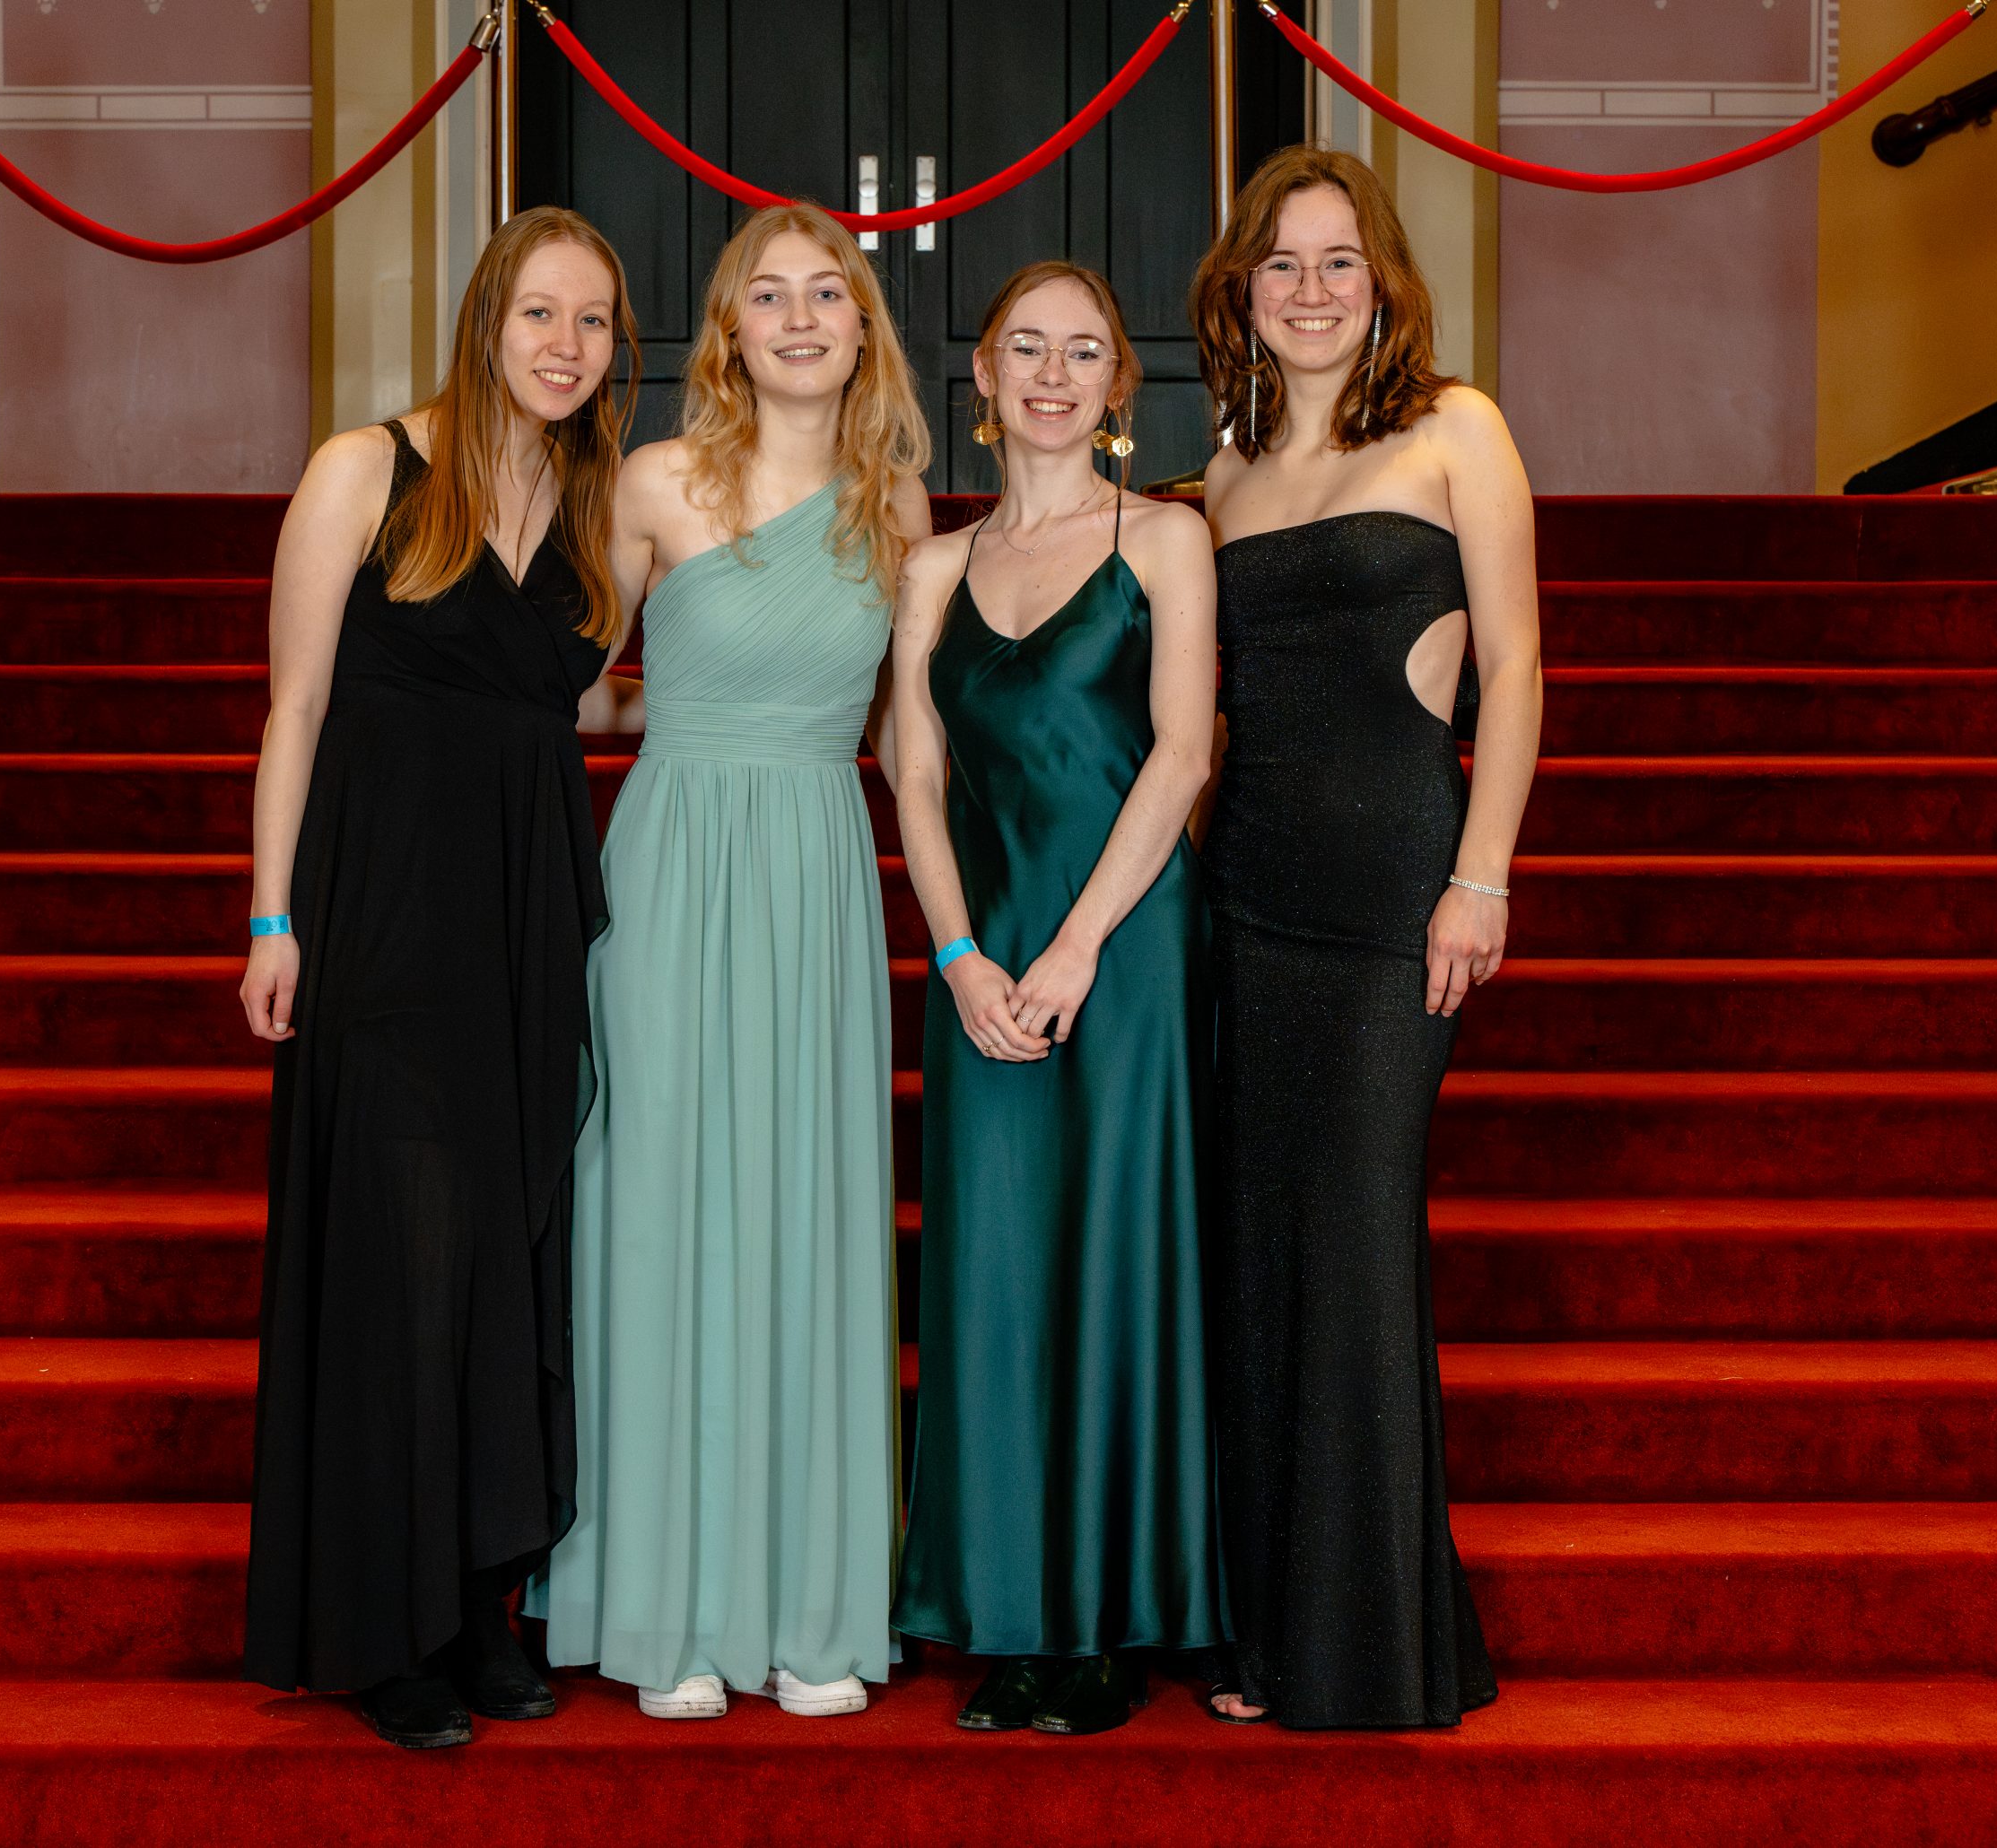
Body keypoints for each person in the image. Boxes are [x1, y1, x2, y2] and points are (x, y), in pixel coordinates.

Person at [239, 205, 643, 1748]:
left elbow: (565, 707)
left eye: (592, 322)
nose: (565, 345)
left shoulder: (594, 506)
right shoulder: (367, 469)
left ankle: (481, 1601)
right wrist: (272, 917)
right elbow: (295, 708)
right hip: (388, 917)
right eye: (540, 313)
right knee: (403, 1262)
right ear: (485, 320)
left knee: (506, 1257)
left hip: (526, 930)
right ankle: (390, 1626)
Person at [536, 202, 932, 1720]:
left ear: (862, 328)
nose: (800, 317)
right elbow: (566, 690)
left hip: (819, 878)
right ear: (730, 330)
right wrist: (682, 711)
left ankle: (805, 1609)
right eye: (769, 295)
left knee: (801, 1217)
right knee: (661, 1215)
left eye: (828, 293)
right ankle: (670, 1612)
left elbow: (908, 735)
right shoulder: (653, 483)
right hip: (673, 875)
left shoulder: (895, 505)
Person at [1187, 145, 1541, 1728]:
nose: (1313, 288)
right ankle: (1273, 1635)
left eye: (1339, 260)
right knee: (1261, 1261)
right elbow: (1209, 718)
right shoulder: (1226, 474)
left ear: (1383, 280)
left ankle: (1374, 1650)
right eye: (1283, 263)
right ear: (1244, 291)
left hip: (1399, 894)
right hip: (1246, 898)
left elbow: (1515, 668)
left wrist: (1483, 876)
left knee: (1354, 1244)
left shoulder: (1459, 428)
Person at [887, 261, 1225, 1736]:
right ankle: (1011, 1619)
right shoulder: (931, 571)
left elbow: (1182, 755)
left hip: (1127, 947)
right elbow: (913, 778)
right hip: (982, 953)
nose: (1050, 373)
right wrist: (959, 955)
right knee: (995, 1272)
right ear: (982, 377)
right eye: (1025, 347)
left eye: (1083, 351)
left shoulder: (1168, 540)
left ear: (1116, 387)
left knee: (1117, 1259)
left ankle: (1106, 1626)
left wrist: (1081, 945)